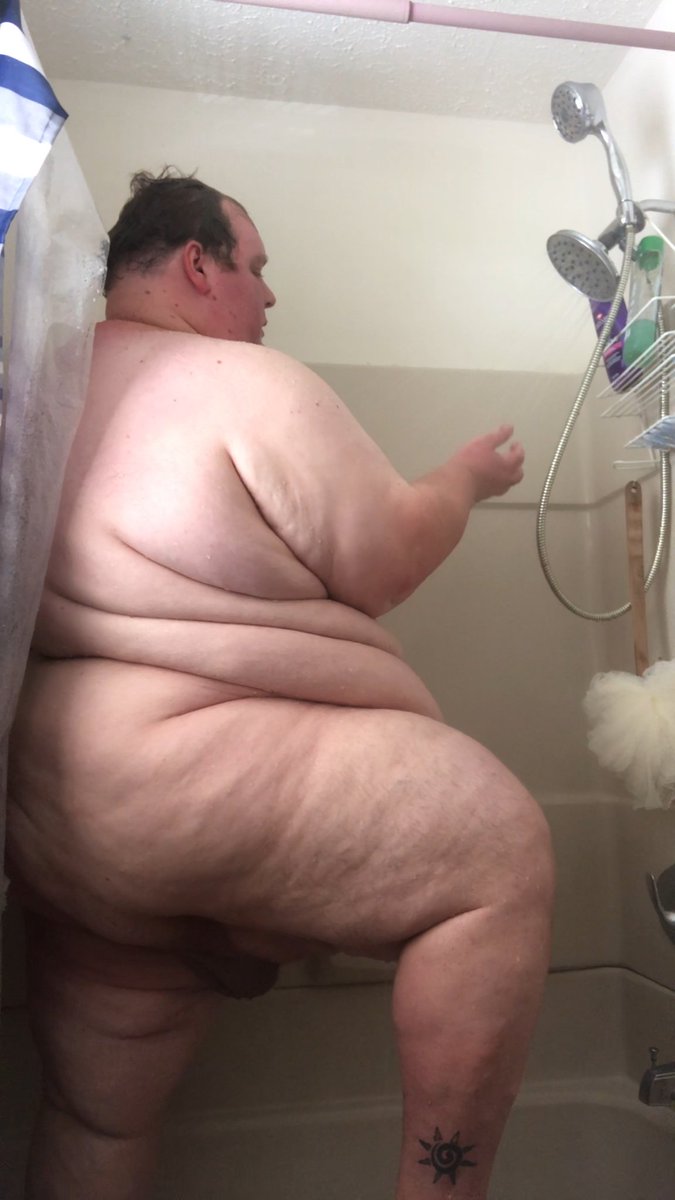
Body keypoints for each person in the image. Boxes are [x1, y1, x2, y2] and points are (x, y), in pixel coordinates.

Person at [7, 167, 554, 1200]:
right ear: (197, 265)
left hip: (64, 820)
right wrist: (464, 479)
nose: (269, 296)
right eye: (255, 267)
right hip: (197, 780)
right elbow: (384, 560)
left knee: (96, 1116)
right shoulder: (234, 379)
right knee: (500, 851)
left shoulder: (34, 396)